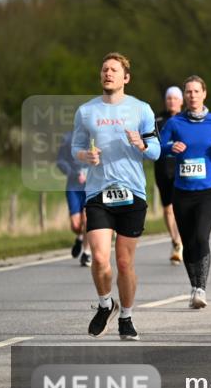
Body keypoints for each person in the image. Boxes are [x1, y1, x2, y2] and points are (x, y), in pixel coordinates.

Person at [72, 52, 160, 341]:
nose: (108, 73)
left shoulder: (142, 109)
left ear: (126, 78)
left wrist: (142, 144)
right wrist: (86, 155)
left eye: (114, 70)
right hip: (98, 192)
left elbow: (157, 151)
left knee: (124, 262)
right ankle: (105, 304)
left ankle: (126, 317)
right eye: (104, 69)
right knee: (99, 257)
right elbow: (76, 148)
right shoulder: (86, 111)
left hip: (132, 193)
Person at [160, 76, 211, 309]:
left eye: (196, 91)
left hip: (208, 193)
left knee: (201, 237)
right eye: (188, 92)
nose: (192, 95)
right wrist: (170, 148)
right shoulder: (175, 123)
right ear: (185, 96)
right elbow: (158, 149)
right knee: (188, 242)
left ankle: (201, 288)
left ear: (204, 94)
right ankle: (193, 286)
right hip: (182, 193)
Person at [154, 87, 184, 264]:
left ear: (181, 101)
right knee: (167, 208)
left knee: (179, 207)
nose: (172, 101)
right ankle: (175, 240)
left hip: (182, 168)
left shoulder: (186, 119)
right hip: (163, 168)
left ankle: (181, 240)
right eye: (169, 98)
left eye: (175, 98)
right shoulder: (158, 120)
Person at [56, 131, 90, 266]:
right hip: (73, 187)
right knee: (76, 225)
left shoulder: (98, 136)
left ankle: (87, 253)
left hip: (91, 187)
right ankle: (80, 236)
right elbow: (60, 161)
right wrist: (73, 173)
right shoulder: (67, 138)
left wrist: (89, 174)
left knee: (88, 220)